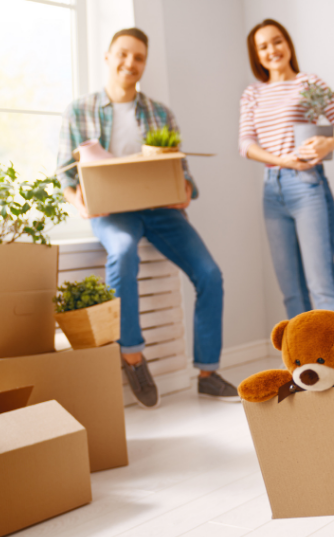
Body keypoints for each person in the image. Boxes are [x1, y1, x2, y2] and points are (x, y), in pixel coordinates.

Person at [56, 28, 238, 408]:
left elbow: (180, 169)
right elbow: (65, 174)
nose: (130, 63)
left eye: (139, 58)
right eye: (123, 54)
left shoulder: (159, 112)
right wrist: (81, 205)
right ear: (107, 57)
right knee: (122, 253)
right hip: (112, 212)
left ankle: (207, 373)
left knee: (210, 274)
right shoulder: (80, 110)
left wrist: (184, 189)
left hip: (159, 211)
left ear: (144, 64)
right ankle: (133, 357)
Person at [239, 19, 334, 318]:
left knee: (321, 284)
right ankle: (299, 364)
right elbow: (246, 144)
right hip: (271, 190)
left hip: (307, 186)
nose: (272, 50)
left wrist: (326, 144)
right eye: (262, 46)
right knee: (291, 291)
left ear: (288, 43)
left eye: (277, 41)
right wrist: (282, 161)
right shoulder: (253, 93)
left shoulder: (309, 83)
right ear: (257, 55)